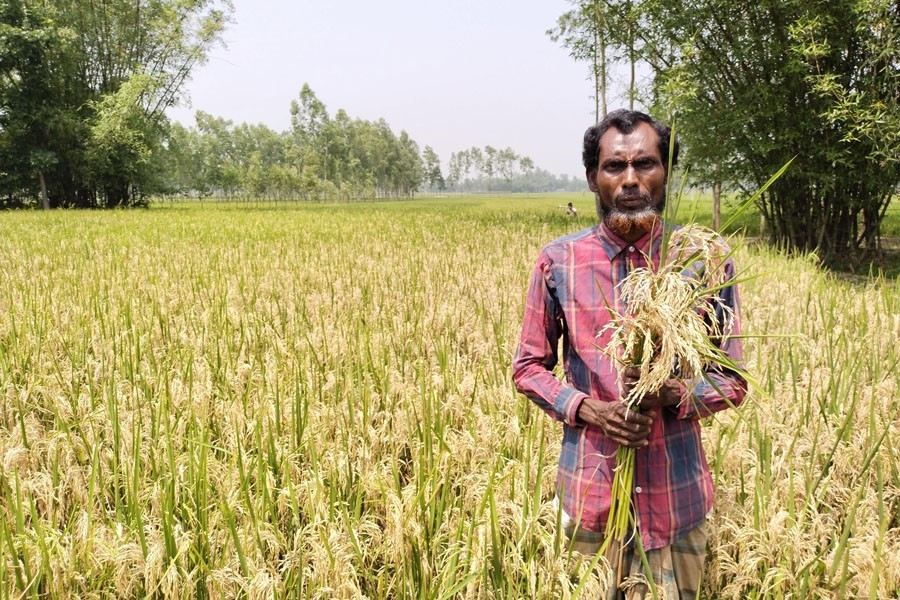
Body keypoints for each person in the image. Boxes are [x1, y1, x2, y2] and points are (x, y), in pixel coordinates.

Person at [512, 109, 746, 599]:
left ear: (666, 171)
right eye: (614, 167)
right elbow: (529, 368)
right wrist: (591, 410)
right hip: (590, 499)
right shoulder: (559, 261)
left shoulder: (701, 260)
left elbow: (732, 378)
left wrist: (671, 394)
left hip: (675, 502)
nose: (631, 179)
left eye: (646, 163)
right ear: (593, 178)